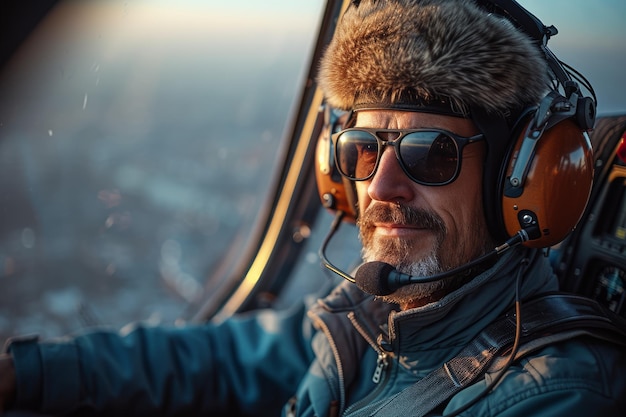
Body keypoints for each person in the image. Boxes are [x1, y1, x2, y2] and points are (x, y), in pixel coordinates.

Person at [1, 0, 625, 415]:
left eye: (430, 154)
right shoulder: (366, 317)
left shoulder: (553, 395)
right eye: (360, 149)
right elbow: (213, 361)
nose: (380, 189)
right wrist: (24, 371)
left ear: (519, 180)